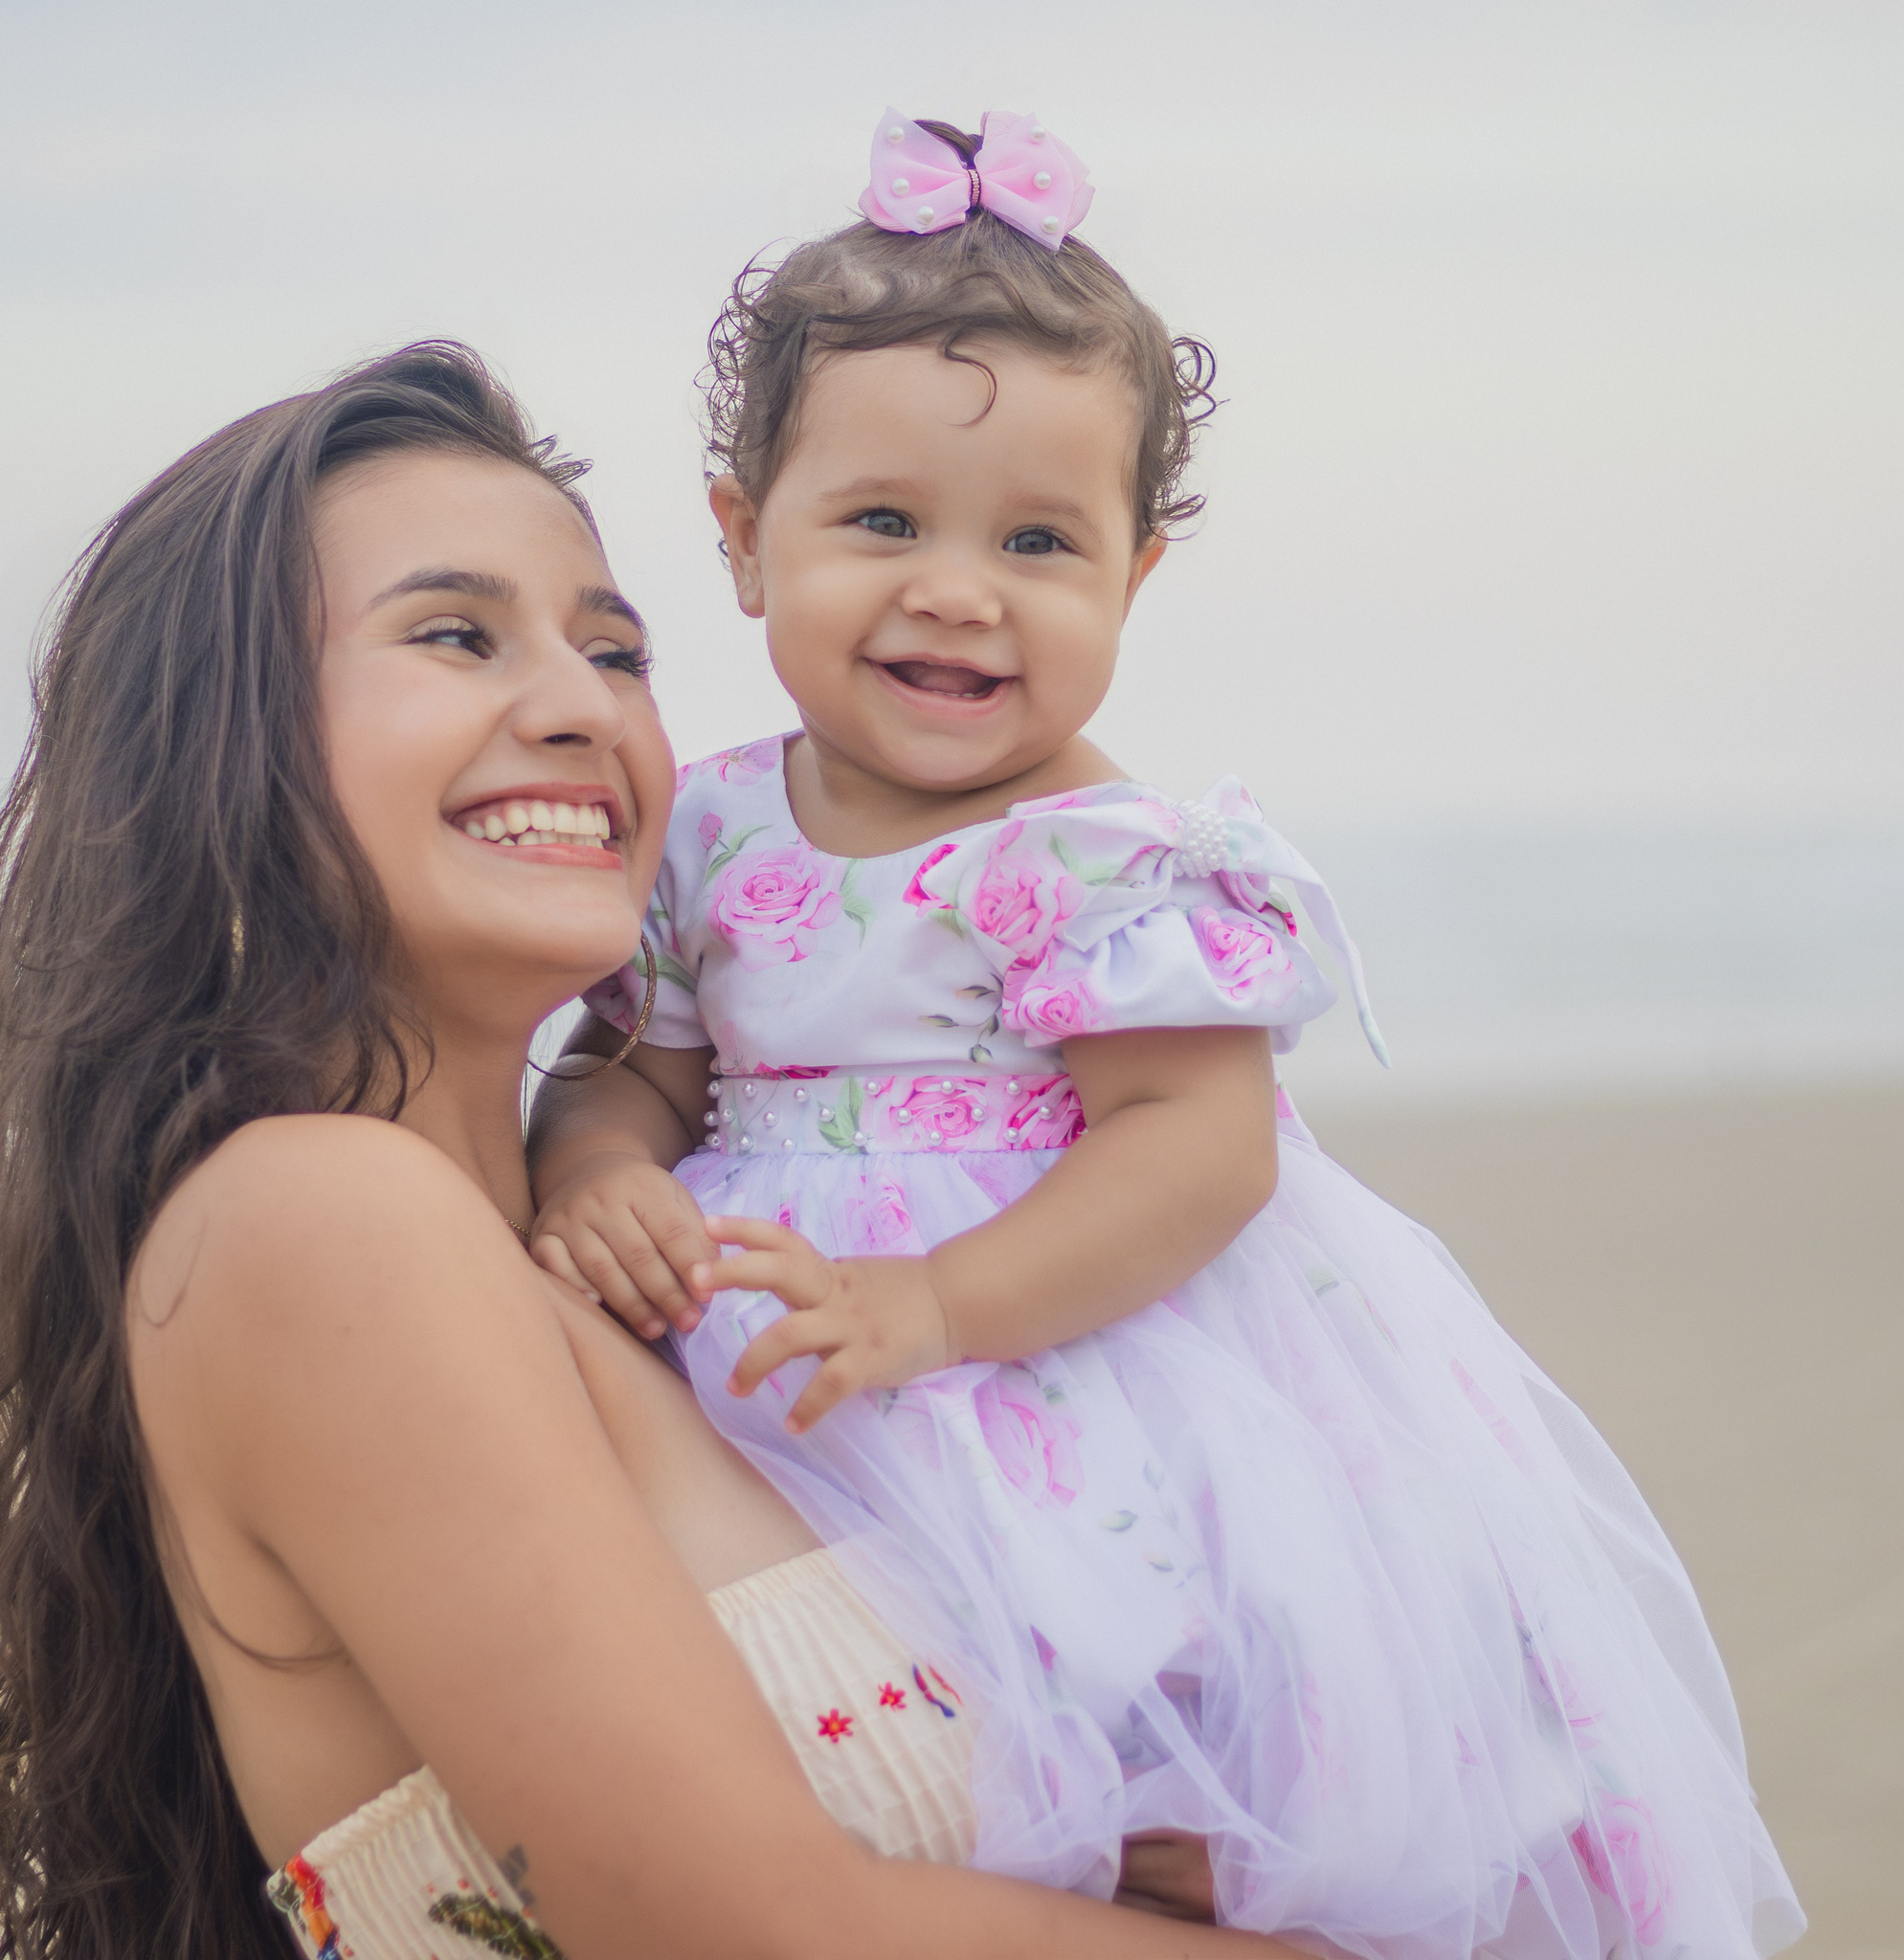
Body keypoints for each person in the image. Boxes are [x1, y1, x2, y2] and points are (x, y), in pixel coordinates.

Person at [526, 111, 1803, 1959]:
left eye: (1040, 541)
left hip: (1072, 1347)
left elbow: (1199, 1151)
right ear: (742, 541)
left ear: (1131, 576)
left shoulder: (1107, 856)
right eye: (882, 522)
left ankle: (1191, 1868)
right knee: (832, 1712)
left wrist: (940, 1306)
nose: (957, 587)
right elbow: (640, 1066)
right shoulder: (708, 823)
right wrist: (591, 1166)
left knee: (1149, 1690)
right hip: (789, 1342)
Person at [0, 341, 1285, 1959]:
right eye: (455, 635)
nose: (581, 707)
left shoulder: (675, 1268)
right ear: (217, 741)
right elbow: (746, 1932)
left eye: (615, 651)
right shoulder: (319, 1220)